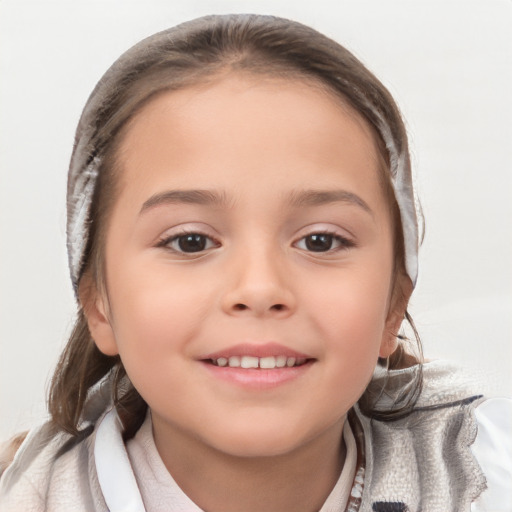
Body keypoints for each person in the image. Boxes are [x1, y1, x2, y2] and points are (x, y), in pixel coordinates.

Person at [0, 13, 510, 512]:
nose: (261, 287)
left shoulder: (487, 475)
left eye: (320, 241)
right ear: (99, 305)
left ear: (394, 304)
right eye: (191, 242)